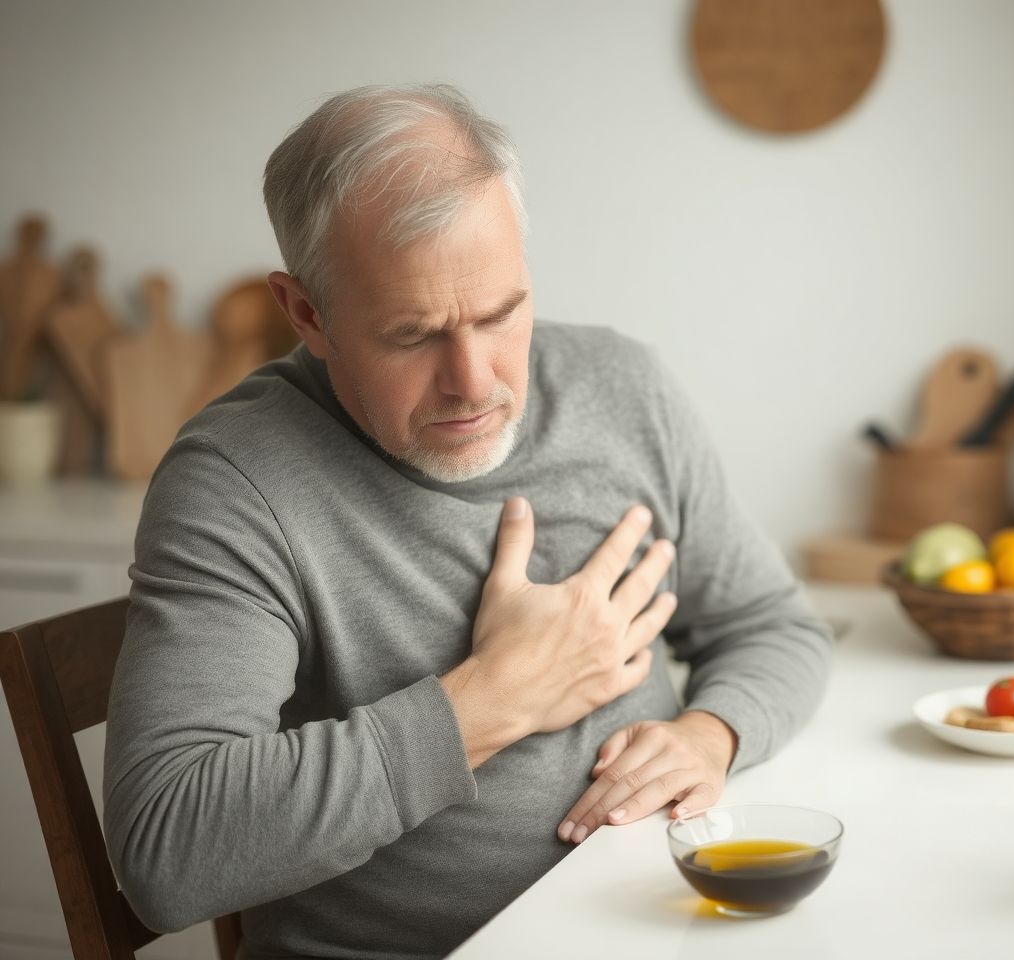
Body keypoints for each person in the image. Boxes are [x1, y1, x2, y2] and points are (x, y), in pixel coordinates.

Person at [103, 83, 831, 959]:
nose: (475, 382)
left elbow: (772, 626)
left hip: (664, 929)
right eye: (412, 336)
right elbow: (168, 847)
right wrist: (499, 696)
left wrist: (709, 735)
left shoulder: (624, 389)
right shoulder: (237, 480)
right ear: (307, 313)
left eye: (500, 314)